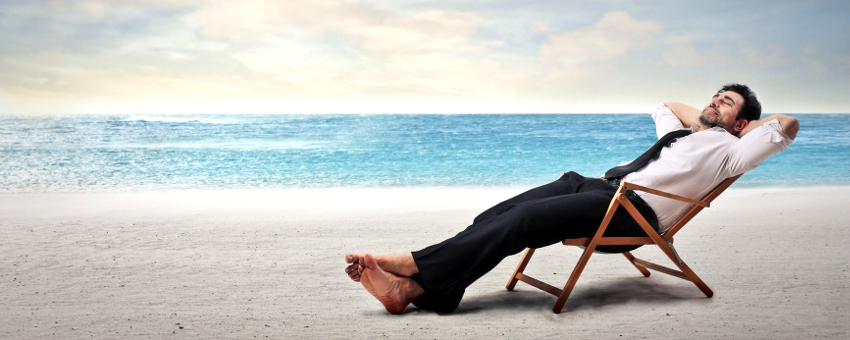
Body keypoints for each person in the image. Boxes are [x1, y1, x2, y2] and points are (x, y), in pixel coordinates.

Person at [344, 84, 800, 314]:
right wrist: (708, 117)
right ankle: (421, 289)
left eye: (726, 103)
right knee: (497, 213)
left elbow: (787, 124)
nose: (714, 103)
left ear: (742, 125)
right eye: (714, 97)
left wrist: (735, 127)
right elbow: (664, 106)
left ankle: (412, 265)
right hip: (598, 187)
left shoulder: (732, 151)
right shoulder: (685, 134)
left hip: (631, 213)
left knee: (524, 220)